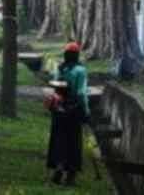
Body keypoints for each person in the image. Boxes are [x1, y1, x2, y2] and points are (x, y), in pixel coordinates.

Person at [46, 42, 89, 187]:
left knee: (59, 140)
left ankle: (58, 170)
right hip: (73, 111)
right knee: (74, 142)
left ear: (65, 55)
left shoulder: (60, 68)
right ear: (77, 55)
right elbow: (81, 93)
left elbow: (55, 88)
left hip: (58, 110)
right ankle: (70, 177)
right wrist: (86, 112)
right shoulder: (80, 70)